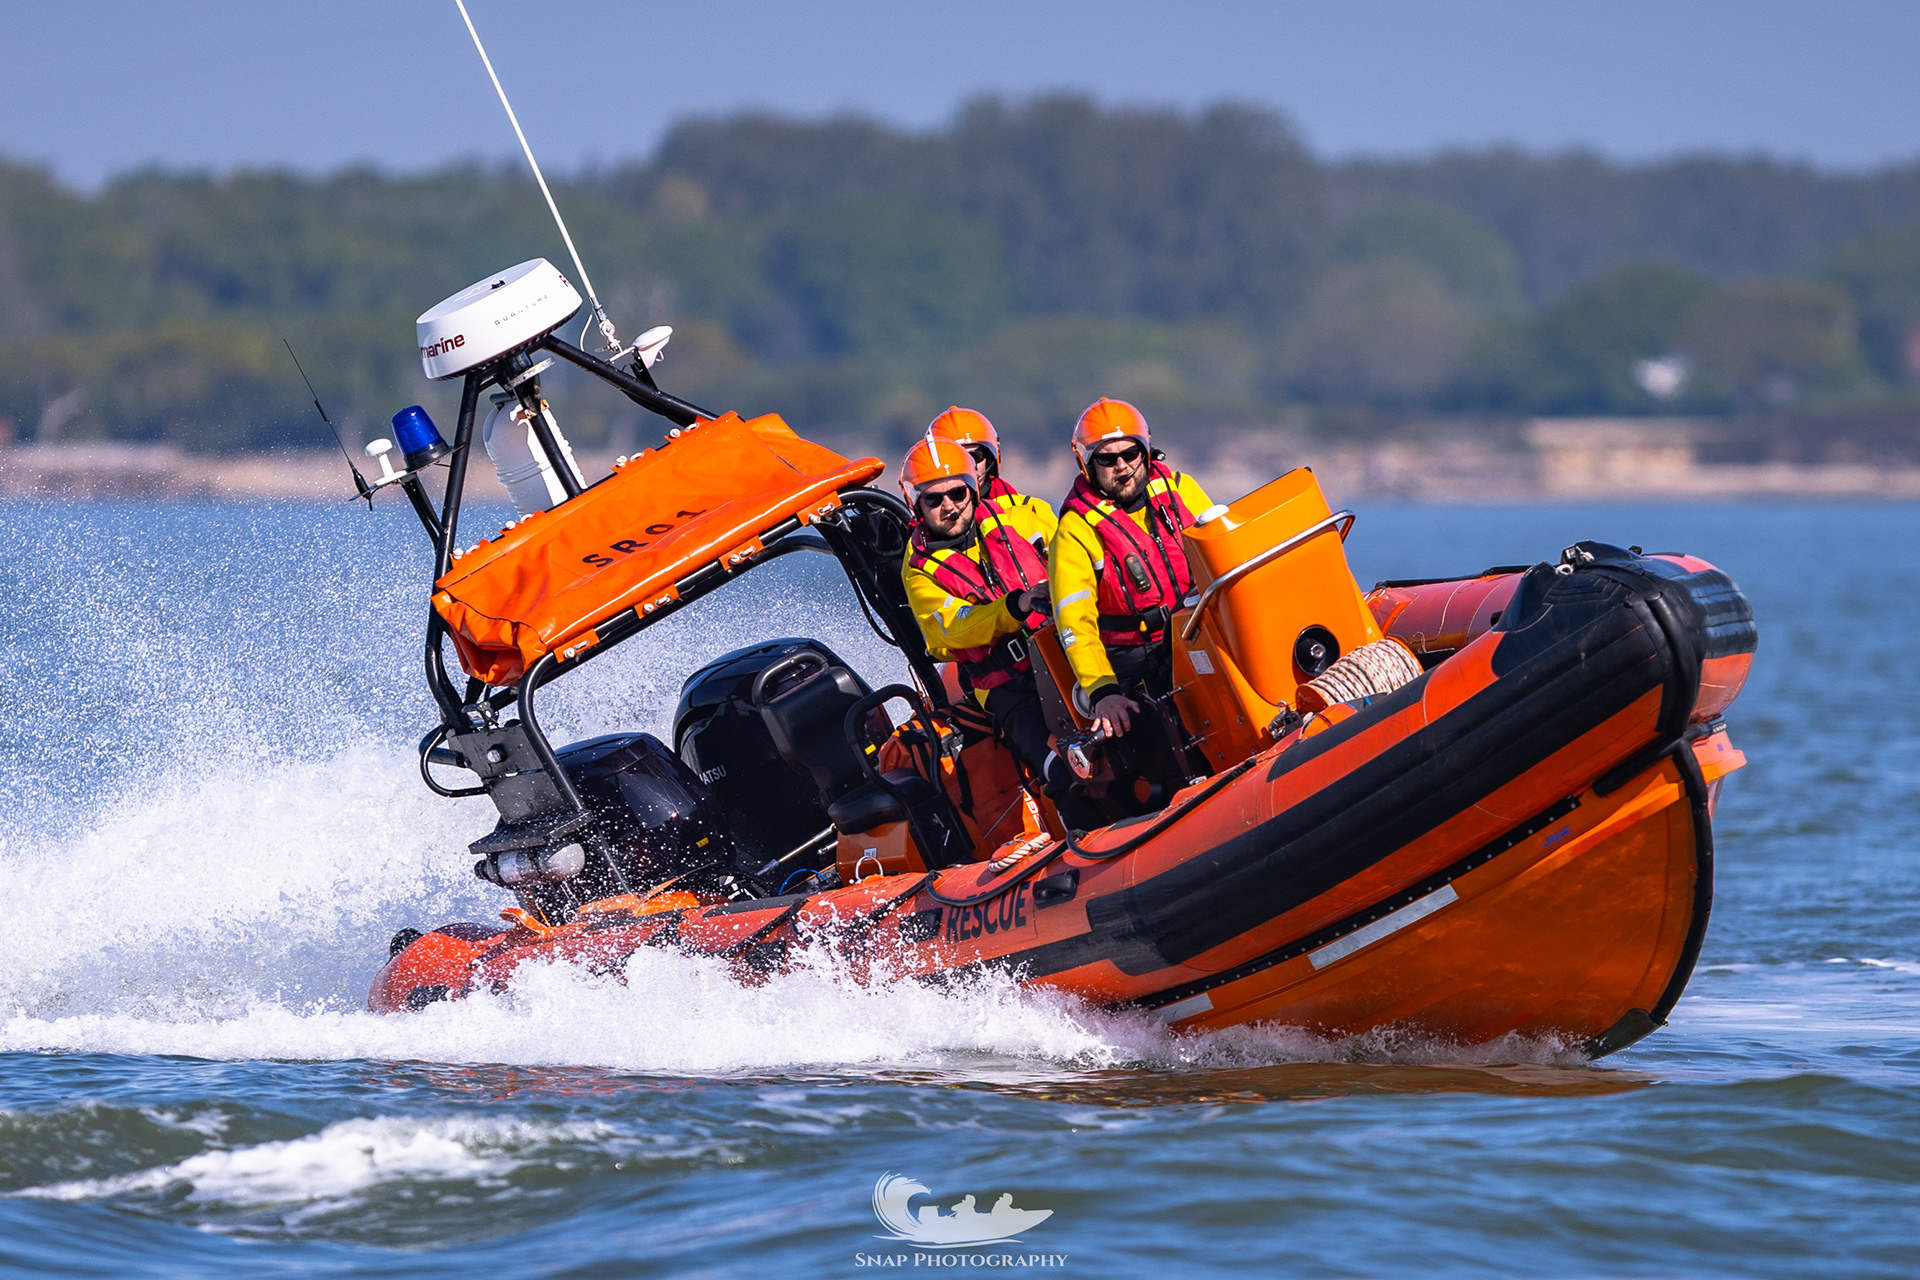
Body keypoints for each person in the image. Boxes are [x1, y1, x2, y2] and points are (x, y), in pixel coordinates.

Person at [1049, 397, 1215, 811]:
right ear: (1087, 465)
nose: (1122, 466)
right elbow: (1074, 622)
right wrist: (1102, 693)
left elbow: (1223, 549)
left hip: (1198, 632)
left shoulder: (1180, 490)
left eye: (1130, 454)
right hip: (1139, 661)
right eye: (1107, 460)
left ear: (1146, 451)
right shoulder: (1074, 531)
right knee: (1163, 743)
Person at [898, 433, 1070, 799]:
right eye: (934, 499)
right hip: (1006, 687)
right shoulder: (918, 571)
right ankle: (1079, 823)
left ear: (973, 490)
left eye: (957, 493)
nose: (949, 506)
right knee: (1061, 772)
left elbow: (1071, 555)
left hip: (1065, 652)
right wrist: (1016, 606)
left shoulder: (1016, 516)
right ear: (917, 505)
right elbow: (953, 628)